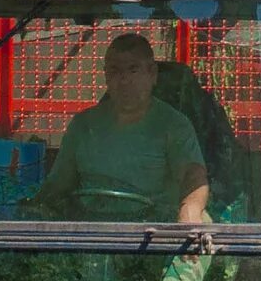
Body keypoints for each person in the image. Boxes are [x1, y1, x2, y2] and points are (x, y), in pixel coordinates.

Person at [28, 33, 211, 221]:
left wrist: (190, 211)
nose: (124, 81)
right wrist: (33, 211)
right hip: (91, 231)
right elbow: (58, 185)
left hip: (152, 234)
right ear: (106, 76)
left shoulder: (174, 126)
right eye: (115, 71)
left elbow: (194, 178)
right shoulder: (83, 126)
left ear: (152, 74)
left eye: (133, 70)